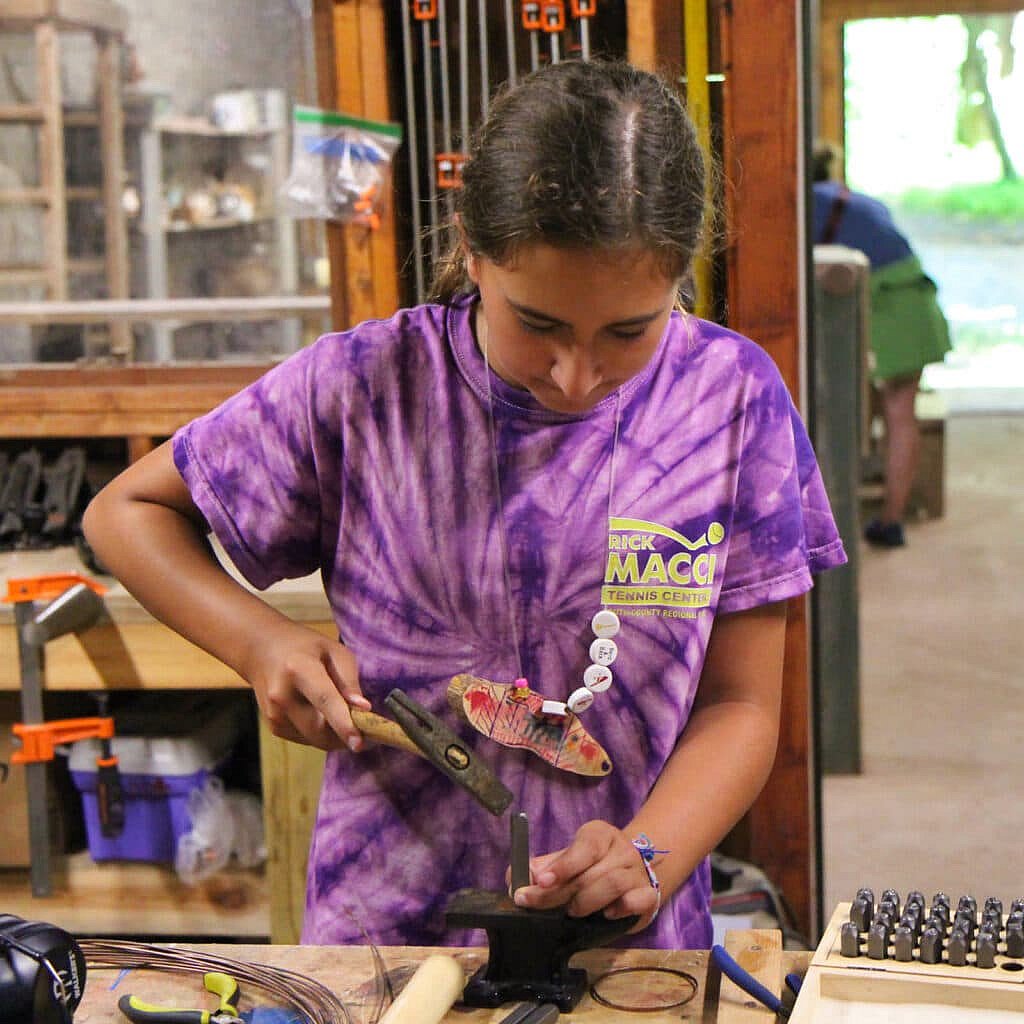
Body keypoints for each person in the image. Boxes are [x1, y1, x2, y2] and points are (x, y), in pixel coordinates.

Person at [83, 60, 846, 950]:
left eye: (628, 332)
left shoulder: (731, 400)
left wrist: (649, 852)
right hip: (389, 938)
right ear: (471, 248)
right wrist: (261, 643)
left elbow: (744, 710)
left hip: (624, 953)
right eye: (541, 323)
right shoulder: (366, 387)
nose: (576, 375)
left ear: (680, 273)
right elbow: (126, 513)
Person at [812, 141, 952, 548]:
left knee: (871, 409)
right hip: (918, 302)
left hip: (888, 305)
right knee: (899, 412)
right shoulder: (857, 199)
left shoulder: (804, 203)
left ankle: (849, 511)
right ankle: (890, 520)